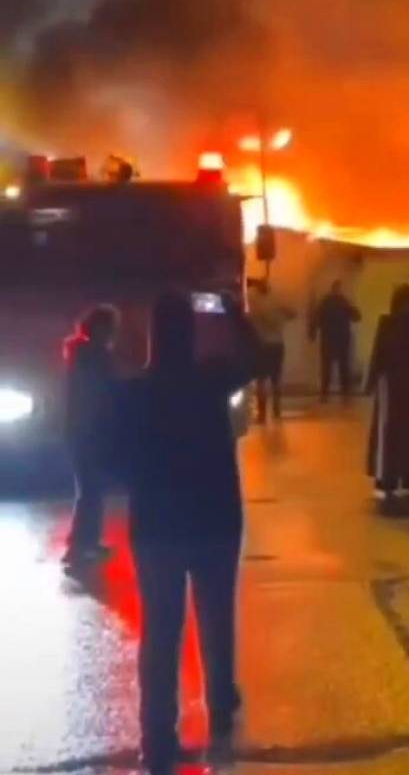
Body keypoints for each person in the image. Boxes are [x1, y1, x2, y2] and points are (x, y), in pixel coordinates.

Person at [112, 291, 258, 773]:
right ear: (190, 336)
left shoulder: (136, 391)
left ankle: (157, 736)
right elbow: (257, 358)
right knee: (216, 618)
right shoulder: (211, 379)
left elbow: (116, 459)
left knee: (162, 629)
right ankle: (220, 705)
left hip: (157, 526)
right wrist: (234, 311)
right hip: (215, 519)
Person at [62, 304, 120, 566]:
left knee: (89, 489)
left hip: (78, 430)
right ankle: (81, 544)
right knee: (92, 490)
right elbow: (105, 393)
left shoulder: (79, 353)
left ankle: (83, 542)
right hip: (91, 431)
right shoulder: (96, 356)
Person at [365, 283, 409, 503]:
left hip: (391, 384)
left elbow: (379, 355)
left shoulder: (388, 323)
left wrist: (369, 384)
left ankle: (386, 480)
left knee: (388, 433)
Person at [248, 280, 295, 423]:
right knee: (276, 378)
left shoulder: (253, 304)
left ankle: (262, 414)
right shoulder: (276, 303)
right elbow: (292, 313)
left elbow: (247, 321)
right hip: (277, 344)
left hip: (261, 345)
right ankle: (277, 409)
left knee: (261, 380)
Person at [310, 280, 360, 402]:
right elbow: (357, 317)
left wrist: (312, 332)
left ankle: (324, 395)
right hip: (342, 339)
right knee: (343, 367)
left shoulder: (325, 302)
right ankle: (345, 395)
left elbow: (317, 318)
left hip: (328, 339)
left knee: (326, 367)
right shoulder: (344, 302)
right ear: (338, 289)